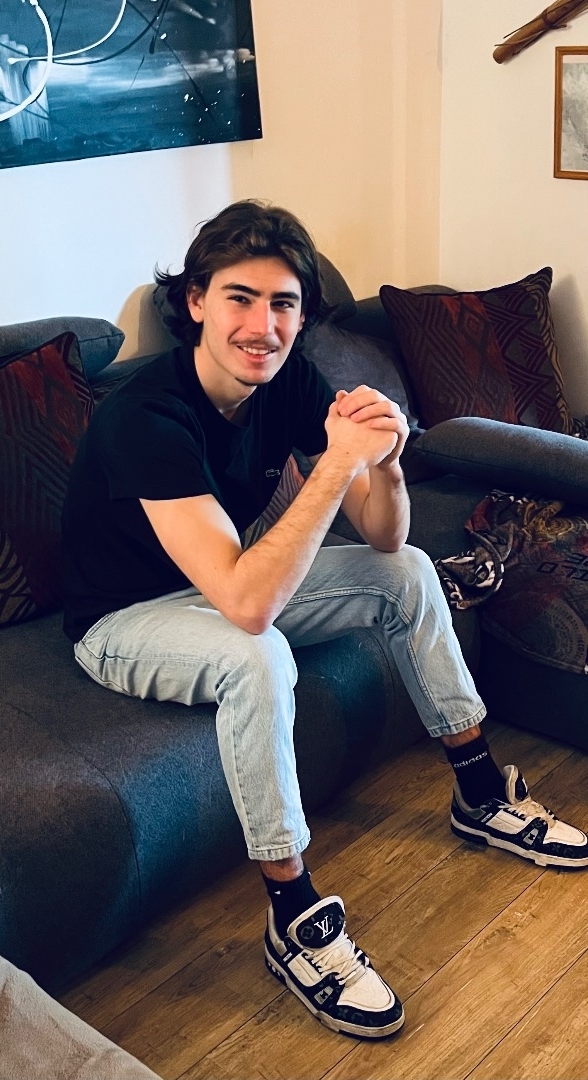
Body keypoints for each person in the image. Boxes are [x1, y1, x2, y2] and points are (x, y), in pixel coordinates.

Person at [62, 200, 588, 1041]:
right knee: (257, 654)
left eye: (283, 304)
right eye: (239, 299)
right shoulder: (143, 417)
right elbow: (249, 605)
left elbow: (385, 538)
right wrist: (337, 463)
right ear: (195, 301)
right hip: (127, 619)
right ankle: (293, 915)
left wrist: (389, 463)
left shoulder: (288, 380)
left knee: (409, 572)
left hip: (227, 582)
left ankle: (482, 791)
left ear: (303, 315)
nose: (262, 326)